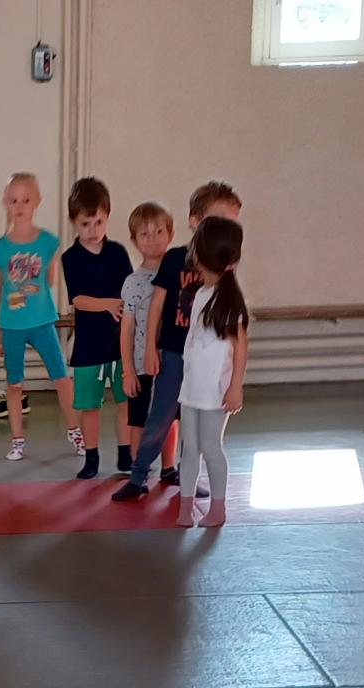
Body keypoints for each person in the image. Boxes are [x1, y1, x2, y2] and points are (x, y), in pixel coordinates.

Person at [113, 181, 242, 503]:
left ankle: (187, 476)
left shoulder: (224, 269)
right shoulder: (174, 259)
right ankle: (139, 475)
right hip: (173, 353)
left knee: (194, 424)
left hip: (207, 361)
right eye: (218, 220)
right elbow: (157, 304)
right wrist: (150, 348)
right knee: (160, 416)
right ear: (195, 222)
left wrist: (233, 377)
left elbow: (236, 328)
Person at [0, 173, 74, 462]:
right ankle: (17, 440)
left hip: (42, 322)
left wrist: (33, 284)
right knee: (14, 384)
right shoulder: (1, 248)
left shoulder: (47, 242)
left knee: (62, 377)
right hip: (12, 325)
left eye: (25, 200)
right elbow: (2, 290)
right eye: (14, 200)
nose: (20, 206)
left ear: (36, 201)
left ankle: (75, 431)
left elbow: (50, 280)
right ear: (6, 203)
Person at [174, 215, 248, 528]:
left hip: (215, 391)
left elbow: (240, 346)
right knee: (189, 448)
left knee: (211, 447)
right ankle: (185, 504)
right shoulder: (201, 294)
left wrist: (235, 386)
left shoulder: (227, 301)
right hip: (192, 387)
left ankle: (218, 507)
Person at [60, 177, 134, 481]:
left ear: (108, 217)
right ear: (74, 223)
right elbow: (78, 299)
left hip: (120, 343)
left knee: (125, 400)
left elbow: (130, 291)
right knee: (90, 406)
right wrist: (107, 304)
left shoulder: (118, 252)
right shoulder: (70, 258)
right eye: (85, 224)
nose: (93, 230)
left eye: (99, 222)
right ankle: (91, 457)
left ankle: (125, 452)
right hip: (89, 346)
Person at [117, 201, 174, 484]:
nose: (152, 239)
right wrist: (128, 370)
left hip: (171, 362)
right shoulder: (133, 282)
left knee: (170, 418)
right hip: (140, 363)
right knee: (138, 419)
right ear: (135, 240)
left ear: (170, 234)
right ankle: (138, 473)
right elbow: (127, 329)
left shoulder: (177, 275)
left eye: (158, 232)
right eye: (144, 234)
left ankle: (169, 467)